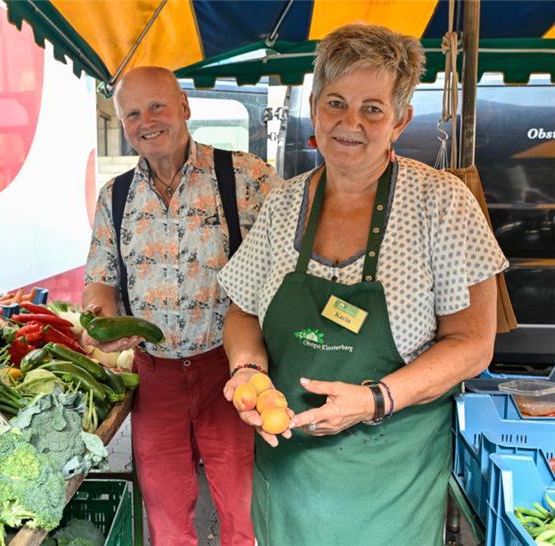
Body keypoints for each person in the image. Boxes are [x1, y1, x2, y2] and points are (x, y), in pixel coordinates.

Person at [218, 24, 508, 545]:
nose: (350, 122)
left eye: (372, 108)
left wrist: (374, 399)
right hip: (289, 465)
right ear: (314, 105)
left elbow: (472, 344)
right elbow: (242, 309)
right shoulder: (283, 204)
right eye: (336, 102)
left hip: (390, 474)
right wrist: (245, 369)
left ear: (400, 120)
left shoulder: (441, 203)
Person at [82, 66, 281, 546]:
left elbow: (289, 268)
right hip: (156, 378)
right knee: (166, 516)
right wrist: (102, 321)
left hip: (231, 372)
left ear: (185, 108)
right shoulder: (117, 196)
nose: (146, 121)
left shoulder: (248, 178)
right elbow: (100, 283)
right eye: (132, 114)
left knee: (242, 510)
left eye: (157, 107)